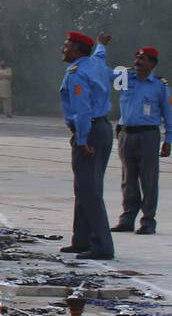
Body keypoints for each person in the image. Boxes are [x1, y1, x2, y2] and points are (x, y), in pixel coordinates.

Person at [59, 30, 114, 260]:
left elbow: (82, 110)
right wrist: (101, 44)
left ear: (77, 50)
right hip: (102, 129)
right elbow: (100, 55)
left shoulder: (77, 73)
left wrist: (82, 140)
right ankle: (81, 240)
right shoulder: (96, 63)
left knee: (89, 191)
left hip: (89, 132)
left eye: (67, 45)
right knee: (84, 188)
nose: (63, 48)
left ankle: (102, 245)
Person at [113, 46, 172, 235]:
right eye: (137, 58)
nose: (138, 62)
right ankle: (127, 218)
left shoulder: (160, 85)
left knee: (148, 179)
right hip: (126, 134)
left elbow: (168, 114)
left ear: (152, 63)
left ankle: (148, 221)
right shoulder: (125, 79)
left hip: (148, 135)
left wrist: (168, 139)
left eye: (144, 59)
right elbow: (105, 78)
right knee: (128, 178)